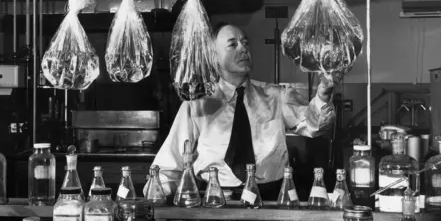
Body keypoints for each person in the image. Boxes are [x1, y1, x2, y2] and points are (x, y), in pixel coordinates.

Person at [145, 22, 340, 199]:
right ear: (214, 57)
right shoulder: (197, 104)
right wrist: (158, 190)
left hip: (271, 202)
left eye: (245, 43)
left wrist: (323, 96)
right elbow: (170, 161)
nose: (243, 49)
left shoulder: (275, 95)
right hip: (216, 202)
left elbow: (314, 125)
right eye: (232, 44)